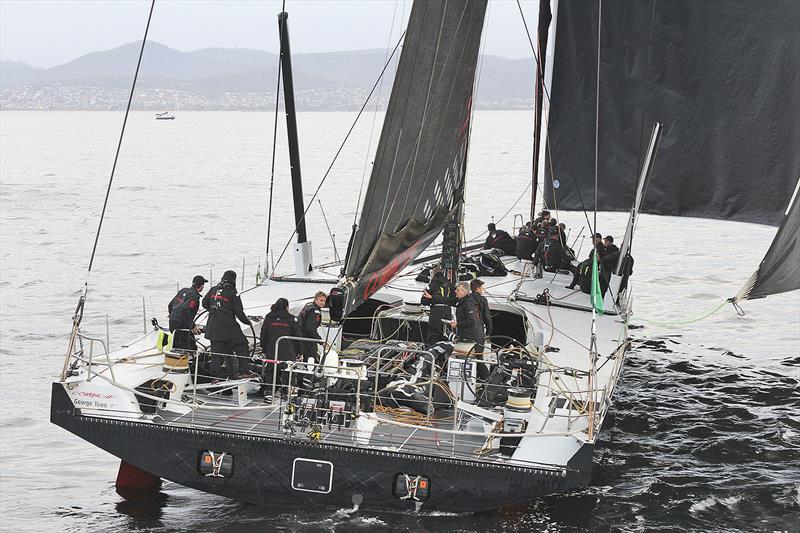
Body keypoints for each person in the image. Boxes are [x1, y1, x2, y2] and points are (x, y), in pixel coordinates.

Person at [202, 270, 252, 379]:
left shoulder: (213, 289)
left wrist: (215, 309)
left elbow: (204, 303)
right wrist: (248, 322)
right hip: (228, 328)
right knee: (242, 346)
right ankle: (243, 371)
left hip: (213, 329)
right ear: (234, 280)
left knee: (216, 354)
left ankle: (215, 376)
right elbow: (239, 313)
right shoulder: (233, 293)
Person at [260, 298, 300, 398]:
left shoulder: (269, 317)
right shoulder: (292, 319)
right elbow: (297, 337)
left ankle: (269, 392)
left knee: (271, 371)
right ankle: (288, 392)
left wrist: (263, 348)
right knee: (289, 371)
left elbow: (263, 334)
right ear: (287, 307)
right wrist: (299, 351)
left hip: (272, 349)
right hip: (288, 350)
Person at [167, 275, 207, 351]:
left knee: (178, 345)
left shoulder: (183, 290)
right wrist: (193, 326)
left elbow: (170, 305)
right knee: (192, 349)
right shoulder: (194, 297)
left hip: (172, 324)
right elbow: (185, 310)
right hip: (181, 326)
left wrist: (171, 316)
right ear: (201, 286)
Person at [421, 265, 453, 345]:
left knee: (433, 334)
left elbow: (423, 301)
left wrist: (430, 300)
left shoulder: (432, 284)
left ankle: (432, 353)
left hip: (437, 312)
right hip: (448, 312)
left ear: (433, 273)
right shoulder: (448, 283)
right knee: (446, 334)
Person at [298, 291, 327, 358]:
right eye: (321, 300)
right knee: (311, 356)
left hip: (301, 336)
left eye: (324, 301)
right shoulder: (314, 311)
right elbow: (311, 329)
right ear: (315, 300)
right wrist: (321, 341)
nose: (323, 303)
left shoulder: (308, 305)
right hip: (307, 339)